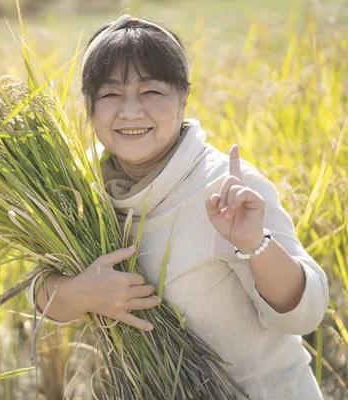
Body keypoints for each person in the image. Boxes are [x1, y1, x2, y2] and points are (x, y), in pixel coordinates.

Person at [26, 14, 329, 399]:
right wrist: (80, 292)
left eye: (151, 91)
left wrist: (257, 244)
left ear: (184, 96)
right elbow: (38, 287)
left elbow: (306, 313)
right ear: (89, 106)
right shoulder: (79, 187)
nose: (131, 111)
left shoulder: (226, 187)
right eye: (110, 94)